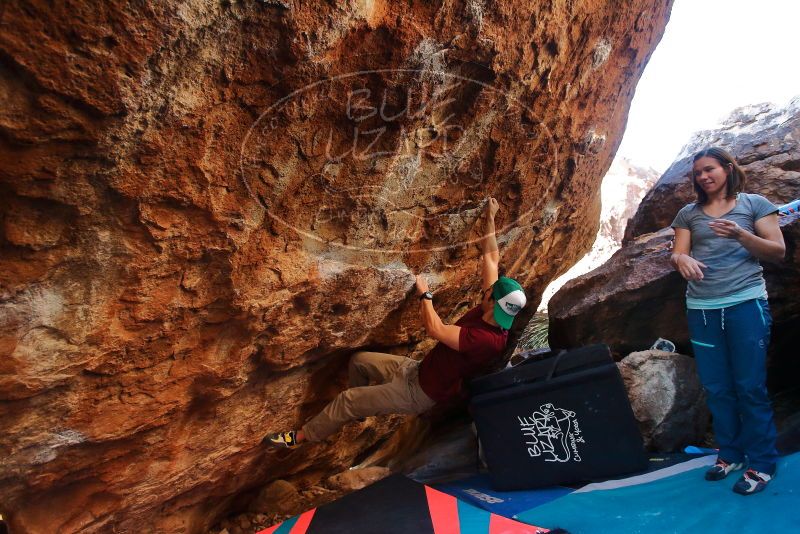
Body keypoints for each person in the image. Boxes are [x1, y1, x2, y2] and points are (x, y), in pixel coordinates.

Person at [265, 197, 527, 448]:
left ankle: (301, 437)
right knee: (359, 362)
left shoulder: (487, 340)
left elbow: (435, 329)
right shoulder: (495, 307)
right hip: (415, 370)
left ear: (493, 301)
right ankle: (356, 411)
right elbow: (491, 258)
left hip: (420, 393)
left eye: (490, 295)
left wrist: (425, 295)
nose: (486, 292)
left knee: (348, 399)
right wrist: (490, 218)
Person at [670, 147, 785, 495]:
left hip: (745, 304)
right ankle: (731, 453)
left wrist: (741, 235)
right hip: (702, 308)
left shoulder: (755, 205)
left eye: (710, 169)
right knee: (717, 388)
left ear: (728, 168)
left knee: (750, 386)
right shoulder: (688, 213)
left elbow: (777, 250)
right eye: (698, 173)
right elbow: (680, 250)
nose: (704, 177)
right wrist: (681, 261)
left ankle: (763, 462)